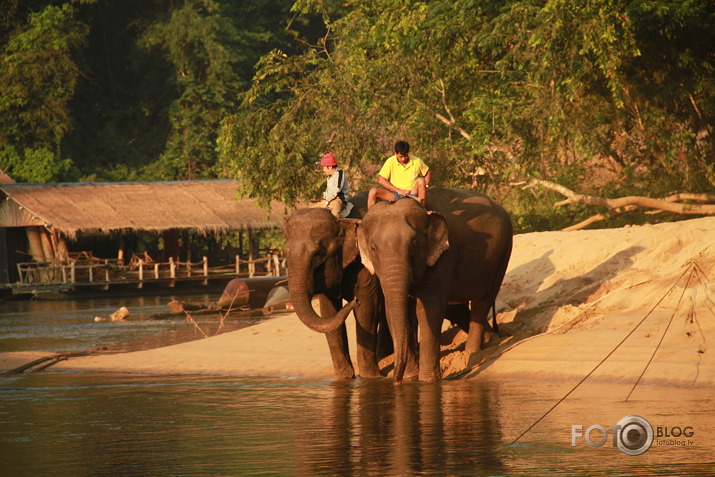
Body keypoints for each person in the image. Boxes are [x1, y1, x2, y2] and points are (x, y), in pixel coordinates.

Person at [368, 140, 431, 208]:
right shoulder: (390, 161)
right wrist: (399, 190)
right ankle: (369, 217)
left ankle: (422, 209)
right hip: (395, 194)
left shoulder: (417, 161)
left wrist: (425, 186)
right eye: (401, 156)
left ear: (408, 152)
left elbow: (428, 172)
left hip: (412, 193)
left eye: (405, 156)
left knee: (421, 180)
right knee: (373, 191)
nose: (403, 159)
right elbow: (381, 180)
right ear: (395, 153)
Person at [311, 152, 350, 218]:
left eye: (324, 168)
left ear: (330, 167)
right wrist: (324, 199)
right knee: (310, 210)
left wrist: (326, 202)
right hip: (329, 200)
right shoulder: (329, 177)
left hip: (339, 201)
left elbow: (336, 190)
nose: (323, 170)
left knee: (333, 216)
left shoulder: (340, 173)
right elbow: (328, 192)